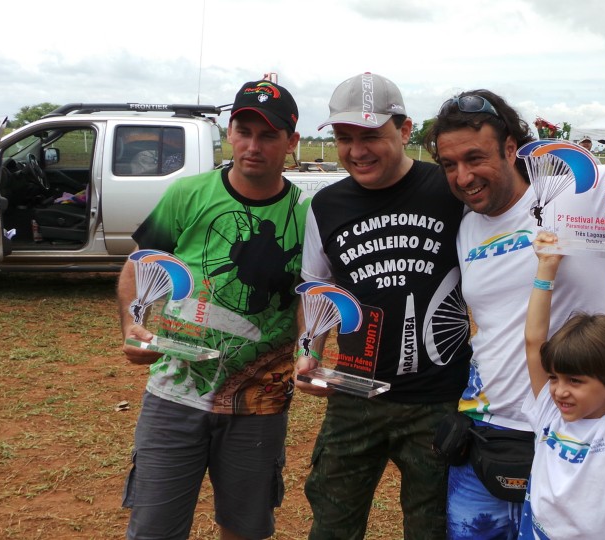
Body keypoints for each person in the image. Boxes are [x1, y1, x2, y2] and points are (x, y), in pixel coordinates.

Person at [424, 30, 605, 539]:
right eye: (449, 165)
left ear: (512, 147)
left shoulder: (587, 188)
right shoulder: (467, 226)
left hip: (571, 428)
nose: (463, 177)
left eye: (475, 158)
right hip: (486, 429)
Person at [117, 80, 305, 539]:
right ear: (229, 132)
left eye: (268, 136)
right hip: (173, 395)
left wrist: (308, 349)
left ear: (291, 142)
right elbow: (139, 267)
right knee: (154, 529)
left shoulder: (306, 213)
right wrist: (132, 324)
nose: (252, 146)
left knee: (244, 529)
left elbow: (307, 297)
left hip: (258, 402)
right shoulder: (189, 194)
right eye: (243, 132)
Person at [295, 72, 472, 540]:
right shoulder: (326, 205)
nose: (356, 150)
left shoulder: (450, 191)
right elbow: (317, 285)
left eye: (370, 135)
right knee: (332, 524)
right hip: (354, 394)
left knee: (432, 527)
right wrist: (308, 349)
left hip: (438, 398)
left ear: (405, 130)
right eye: (343, 137)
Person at [520, 231, 605, 538]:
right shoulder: (548, 413)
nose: (559, 390)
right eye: (554, 377)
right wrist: (546, 267)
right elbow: (533, 342)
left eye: (576, 381)